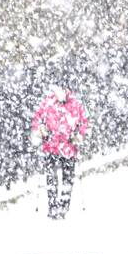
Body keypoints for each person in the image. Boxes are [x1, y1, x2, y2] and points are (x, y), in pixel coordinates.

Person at [30, 86, 88, 218]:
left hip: (69, 147)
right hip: (51, 146)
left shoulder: (76, 104)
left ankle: (64, 206)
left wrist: (79, 135)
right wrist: (40, 129)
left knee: (68, 178)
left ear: (66, 90)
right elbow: (36, 120)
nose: (59, 94)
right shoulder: (47, 102)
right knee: (51, 178)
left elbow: (84, 122)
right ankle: (53, 207)